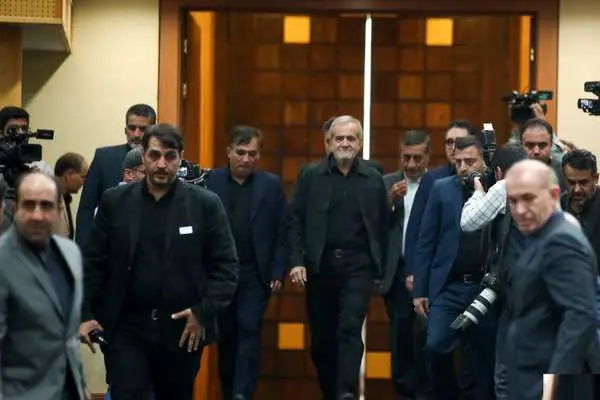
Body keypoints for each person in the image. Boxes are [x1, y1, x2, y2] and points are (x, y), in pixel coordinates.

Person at [79, 124, 239, 400]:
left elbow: (226, 267)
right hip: (126, 327)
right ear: (143, 156)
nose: (161, 164)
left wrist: (203, 311)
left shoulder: (205, 204)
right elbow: (93, 263)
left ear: (180, 158)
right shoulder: (116, 202)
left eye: (169, 156)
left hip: (182, 329)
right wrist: (85, 314)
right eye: (154, 155)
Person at [288, 115, 388, 400]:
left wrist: (380, 266)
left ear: (360, 143)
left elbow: (381, 223)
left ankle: (345, 391)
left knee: (350, 328)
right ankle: (331, 392)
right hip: (320, 266)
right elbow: (295, 220)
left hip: (358, 267)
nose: (345, 143)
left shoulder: (373, 177)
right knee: (321, 339)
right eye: (339, 138)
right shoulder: (310, 175)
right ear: (328, 143)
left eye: (351, 138)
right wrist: (296, 261)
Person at [502, 159, 598, 399]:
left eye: (529, 198)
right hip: (531, 376)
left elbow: (579, 317)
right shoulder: (541, 234)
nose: (520, 209)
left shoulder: (561, 240)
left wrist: (551, 389)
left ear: (554, 195)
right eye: (513, 201)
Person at [206, 125, 286, 400]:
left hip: (255, 272)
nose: (246, 159)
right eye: (240, 152)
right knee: (227, 336)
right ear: (228, 152)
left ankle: (242, 393)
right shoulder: (211, 181)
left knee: (249, 327)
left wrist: (278, 270)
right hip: (220, 273)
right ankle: (230, 391)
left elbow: (281, 230)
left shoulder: (270, 185)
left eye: (252, 153)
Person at [0, 172, 88, 399]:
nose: (37, 215)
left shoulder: (70, 253)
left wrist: (79, 383)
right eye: (29, 205)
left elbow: (67, 334)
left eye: (46, 206)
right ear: (15, 208)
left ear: (59, 211)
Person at [380, 130, 432, 398]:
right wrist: (388, 201)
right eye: (406, 157)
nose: (411, 164)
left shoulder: (437, 185)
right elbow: (370, 226)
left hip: (427, 274)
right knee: (400, 339)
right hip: (396, 273)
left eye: (417, 158)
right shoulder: (386, 183)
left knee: (425, 338)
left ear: (428, 157)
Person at [76, 104, 156, 246]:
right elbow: (87, 208)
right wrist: (83, 250)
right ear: (125, 130)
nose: (136, 134)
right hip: (109, 245)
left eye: (143, 129)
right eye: (132, 128)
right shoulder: (104, 158)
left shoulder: (161, 161)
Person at [54, 153, 88, 239]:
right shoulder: (50, 202)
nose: (84, 182)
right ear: (69, 175)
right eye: (82, 177)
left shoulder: (65, 198)